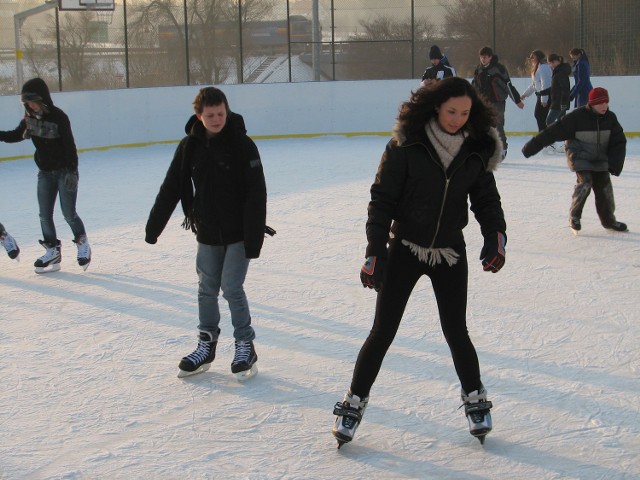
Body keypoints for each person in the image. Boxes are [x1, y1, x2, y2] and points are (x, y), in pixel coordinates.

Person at [332, 77, 507, 448]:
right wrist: (375, 250)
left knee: (456, 331)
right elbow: (381, 200)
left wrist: (495, 235)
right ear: (435, 108)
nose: (458, 119)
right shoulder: (406, 145)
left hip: (449, 252)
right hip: (405, 249)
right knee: (383, 331)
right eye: (451, 111)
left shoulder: (476, 149)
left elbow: (487, 200)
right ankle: (353, 403)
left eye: (465, 112)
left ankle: (475, 399)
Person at [145, 86, 268, 379]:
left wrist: (254, 238)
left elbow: (257, 193)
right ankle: (206, 343)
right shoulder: (189, 146)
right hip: (208, 229)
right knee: (206, 288)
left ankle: (244, 344)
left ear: (227, 111)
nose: (216, 119)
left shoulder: (242, 144)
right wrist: (154, 227)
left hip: (239, 231)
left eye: (220, 113)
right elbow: (172, 186)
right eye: (210, 115)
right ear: (199, 116)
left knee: (232, 287)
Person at [0, 77, 91, 273]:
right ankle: (53, 250)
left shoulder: (59, 117)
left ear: (42, 99)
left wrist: (73, 171)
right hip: (45, 173)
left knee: (69, 213)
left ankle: (82, 243)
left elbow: (70, 146)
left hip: (65, 172)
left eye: (32, 101)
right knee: (44, 214)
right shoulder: (29, 119)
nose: (30, 106)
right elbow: (16, 135)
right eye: (27, 103)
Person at [522, 87, 628, 233]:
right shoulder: (577, 117)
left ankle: (609, 221)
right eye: (600, 103)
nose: (604, 106)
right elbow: (553, 131)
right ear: (591, 103)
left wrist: (615, 164)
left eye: (606, 103)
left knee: (604, 186)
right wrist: (532, 146)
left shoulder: (610, 118)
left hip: (599, 158)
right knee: (585, 182)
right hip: (579, 156)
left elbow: (619, 141)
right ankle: (575, 216)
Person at [472, 46, 524, 158]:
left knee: (497, 124)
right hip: (484, 102)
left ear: (490, 57)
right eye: (481, 57)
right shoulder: (478, 69)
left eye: (485, 57)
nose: (483, 59)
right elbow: (474, 85)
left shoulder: (499, 69)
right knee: (484, 126)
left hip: (497, 101)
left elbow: (508, 85)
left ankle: (502, 148)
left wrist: (517, 100)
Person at [520, 50, 553, 132]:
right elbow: (534, 85)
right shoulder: (538, 68)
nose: (531, 59)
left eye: (533, 57)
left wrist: (544, 99)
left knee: (539, 115)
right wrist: (525, 94)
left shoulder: (543, 68)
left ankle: (544, 136)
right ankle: (545, 136)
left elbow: (545, 84)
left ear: (538, 58)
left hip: (545, 95)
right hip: (540, 95)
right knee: (539, 116)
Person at [545, 53, 572, 127]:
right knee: (562, 122)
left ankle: (552, 137)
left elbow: (564, 88)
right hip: (560, 102)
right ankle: (564, 137)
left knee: (549, 121)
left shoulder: (560, 72)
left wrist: (563, 103)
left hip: (559, 103)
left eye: (549, 63)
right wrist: (543, 92)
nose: (549, 66)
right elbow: (555, 87)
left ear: (553, 62)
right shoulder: (558, 71)